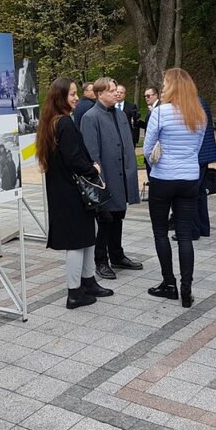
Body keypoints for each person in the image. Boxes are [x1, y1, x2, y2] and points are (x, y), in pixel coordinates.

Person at [37, 77, 112, 309]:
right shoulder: (64, 123)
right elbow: (73, 159)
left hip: (63, 191)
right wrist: (93, 169)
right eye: (72, 94)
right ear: (60, 97)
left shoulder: (50, 122)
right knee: (77, 242)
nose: (76, 97)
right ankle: (74, 292)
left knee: (88, 234)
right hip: (71, 192)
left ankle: (88, 281)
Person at [143, 69, 206, 308]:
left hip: (163, 178)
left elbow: (148, 149)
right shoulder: (199, 114)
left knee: (160, 233)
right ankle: (186, 288)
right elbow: (197, 148)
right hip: (189, 178)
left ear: (170, 87)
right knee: (184, 235)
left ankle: (169, 283)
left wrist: (158, 166)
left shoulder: (160, 112)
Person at [80, 77, 143, 280]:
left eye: (116, 89)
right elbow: (92, 154)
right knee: (105, 219)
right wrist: (99, 180)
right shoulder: (90, 117)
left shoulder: (121, 114)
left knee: (118, 216)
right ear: (100, 94)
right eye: (111, 90)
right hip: (105, 177)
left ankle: (117, 255)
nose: (116, 93)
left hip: (122, 175)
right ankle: (101, 261)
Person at [193, 97, 216, 239]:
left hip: (199, 155)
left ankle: (194, 229)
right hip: (203, 154)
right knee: (200, 193)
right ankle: (203, 228)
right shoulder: (200, 101)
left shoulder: (195, 103)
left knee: (193, 192)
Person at [139, 87, 161, 176]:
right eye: (145, 96)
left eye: (148, 96)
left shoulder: (159, 108)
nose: (146, 98)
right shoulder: (151, 109)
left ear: (155, 95)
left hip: (156, 149)